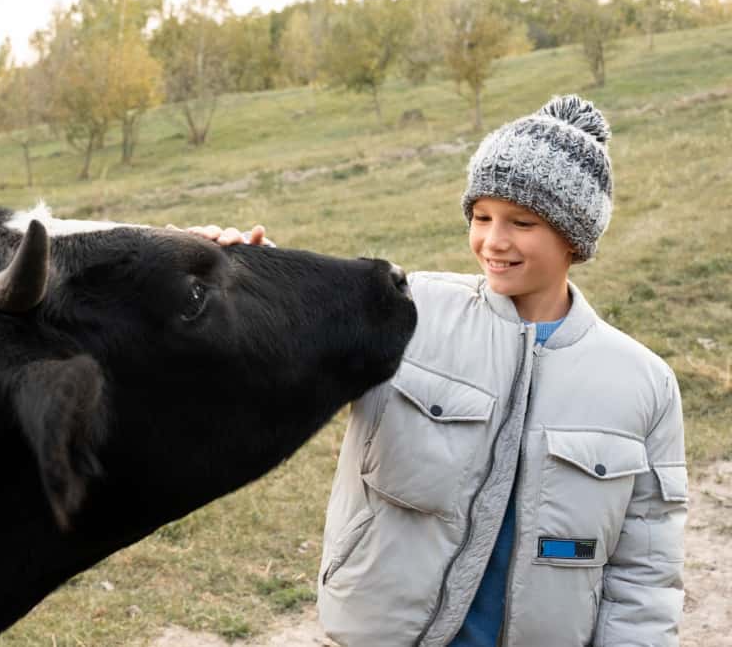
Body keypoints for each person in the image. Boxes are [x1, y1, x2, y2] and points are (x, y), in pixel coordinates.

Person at [186, 95, 687, 646]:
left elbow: (645, 567)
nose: (494, 241)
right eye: (482, 217)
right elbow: (286, 332)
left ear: (575, 236)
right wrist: (239, 279)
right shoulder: (404, 312)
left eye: (521, 222)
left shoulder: (644, 383)